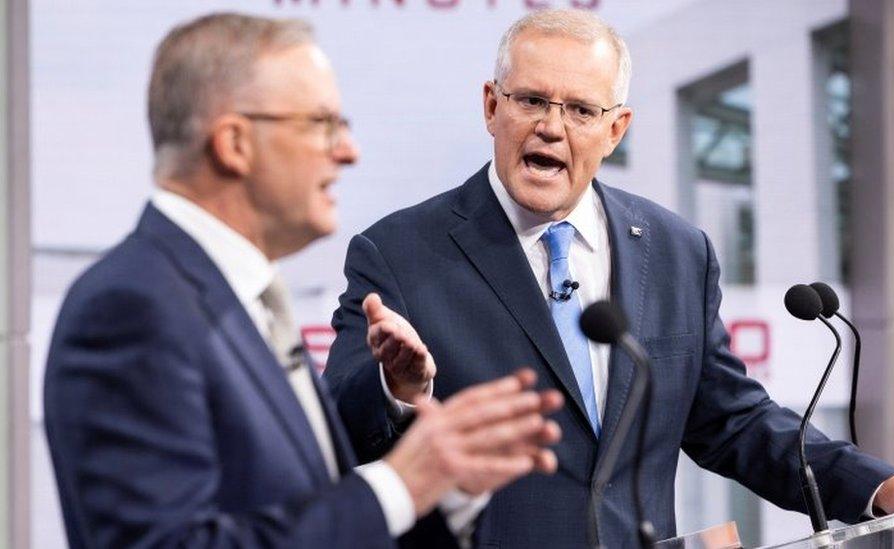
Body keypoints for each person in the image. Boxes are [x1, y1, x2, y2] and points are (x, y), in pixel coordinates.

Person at [324, 8, 894, 548]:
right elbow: (338, 433)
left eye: (580, 109)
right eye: (531, 100)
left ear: (615, 129)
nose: (551, 124)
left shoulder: (675, 249)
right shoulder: (400, 251)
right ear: (492, 105)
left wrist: (871, 485)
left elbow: (732, 421)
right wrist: (397, 390)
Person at [44, 12, 563, 549]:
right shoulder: (132, 308)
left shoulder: (240, 300)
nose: (347, 151)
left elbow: (312, 512)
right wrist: (398, 484)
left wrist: (445, 488)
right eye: (321, 124)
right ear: (235, 144)